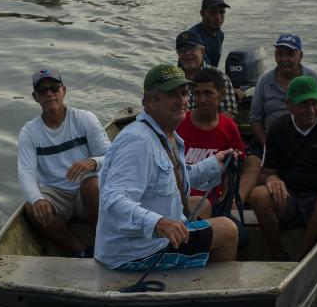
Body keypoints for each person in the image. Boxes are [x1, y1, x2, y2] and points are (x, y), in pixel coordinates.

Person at [95, 64, 240, 271]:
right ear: (150, 102)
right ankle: (214, 295)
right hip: (137, 254)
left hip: (149, 243)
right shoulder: (138, 142)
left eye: (183, 93)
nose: (182, 100)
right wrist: (159, 223)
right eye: (172, 94)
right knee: (228, 230)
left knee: (204, 207)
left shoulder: (166, 135)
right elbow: (113, 200)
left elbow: (176, 180)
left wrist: (214, 163)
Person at [248, 75, 317, 260]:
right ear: (289, 104)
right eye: (303, 104)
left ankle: (302, 257)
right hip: (289, 198)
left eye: (315, 103)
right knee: (258, 195)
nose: (311, 110)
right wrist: (273, 179)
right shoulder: (277, 128)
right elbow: (265, 173)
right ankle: (277, 255)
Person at [17, 67, 110, 256]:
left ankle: (103, 245)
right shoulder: (29, 132)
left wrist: (92, 162)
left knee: (92, 185)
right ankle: (81, 251)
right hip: (57, 194)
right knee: (31, 207)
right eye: (43, 91)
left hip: (89, 193)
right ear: (36, 97)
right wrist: (37, 199)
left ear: (63, 91)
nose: (49, 94)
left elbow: (113, 155)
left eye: (54, 87)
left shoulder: (85, 119)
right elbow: (25, 172)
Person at [176, 67, 260, 210]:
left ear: (221, 94)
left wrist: (227, 197)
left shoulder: (228, 126)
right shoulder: (179, 124)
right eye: (197, 94)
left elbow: (233, 168)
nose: (202, 100)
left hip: (214, 200)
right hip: (181, 200)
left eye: (208, 93)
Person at [175, 30, 240, 117]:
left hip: (210, 129)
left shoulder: (220, 76)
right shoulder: (171, 78)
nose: (187, 53)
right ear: (178, 53)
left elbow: (228, 113)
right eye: (182, 50)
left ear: (202, 51)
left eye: (192, 49)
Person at [189, 0, 229, 68]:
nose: (218, 18)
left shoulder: (220, 35)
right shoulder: (193, 37)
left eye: (222, 12)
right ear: (202, 14)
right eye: (213, 13)